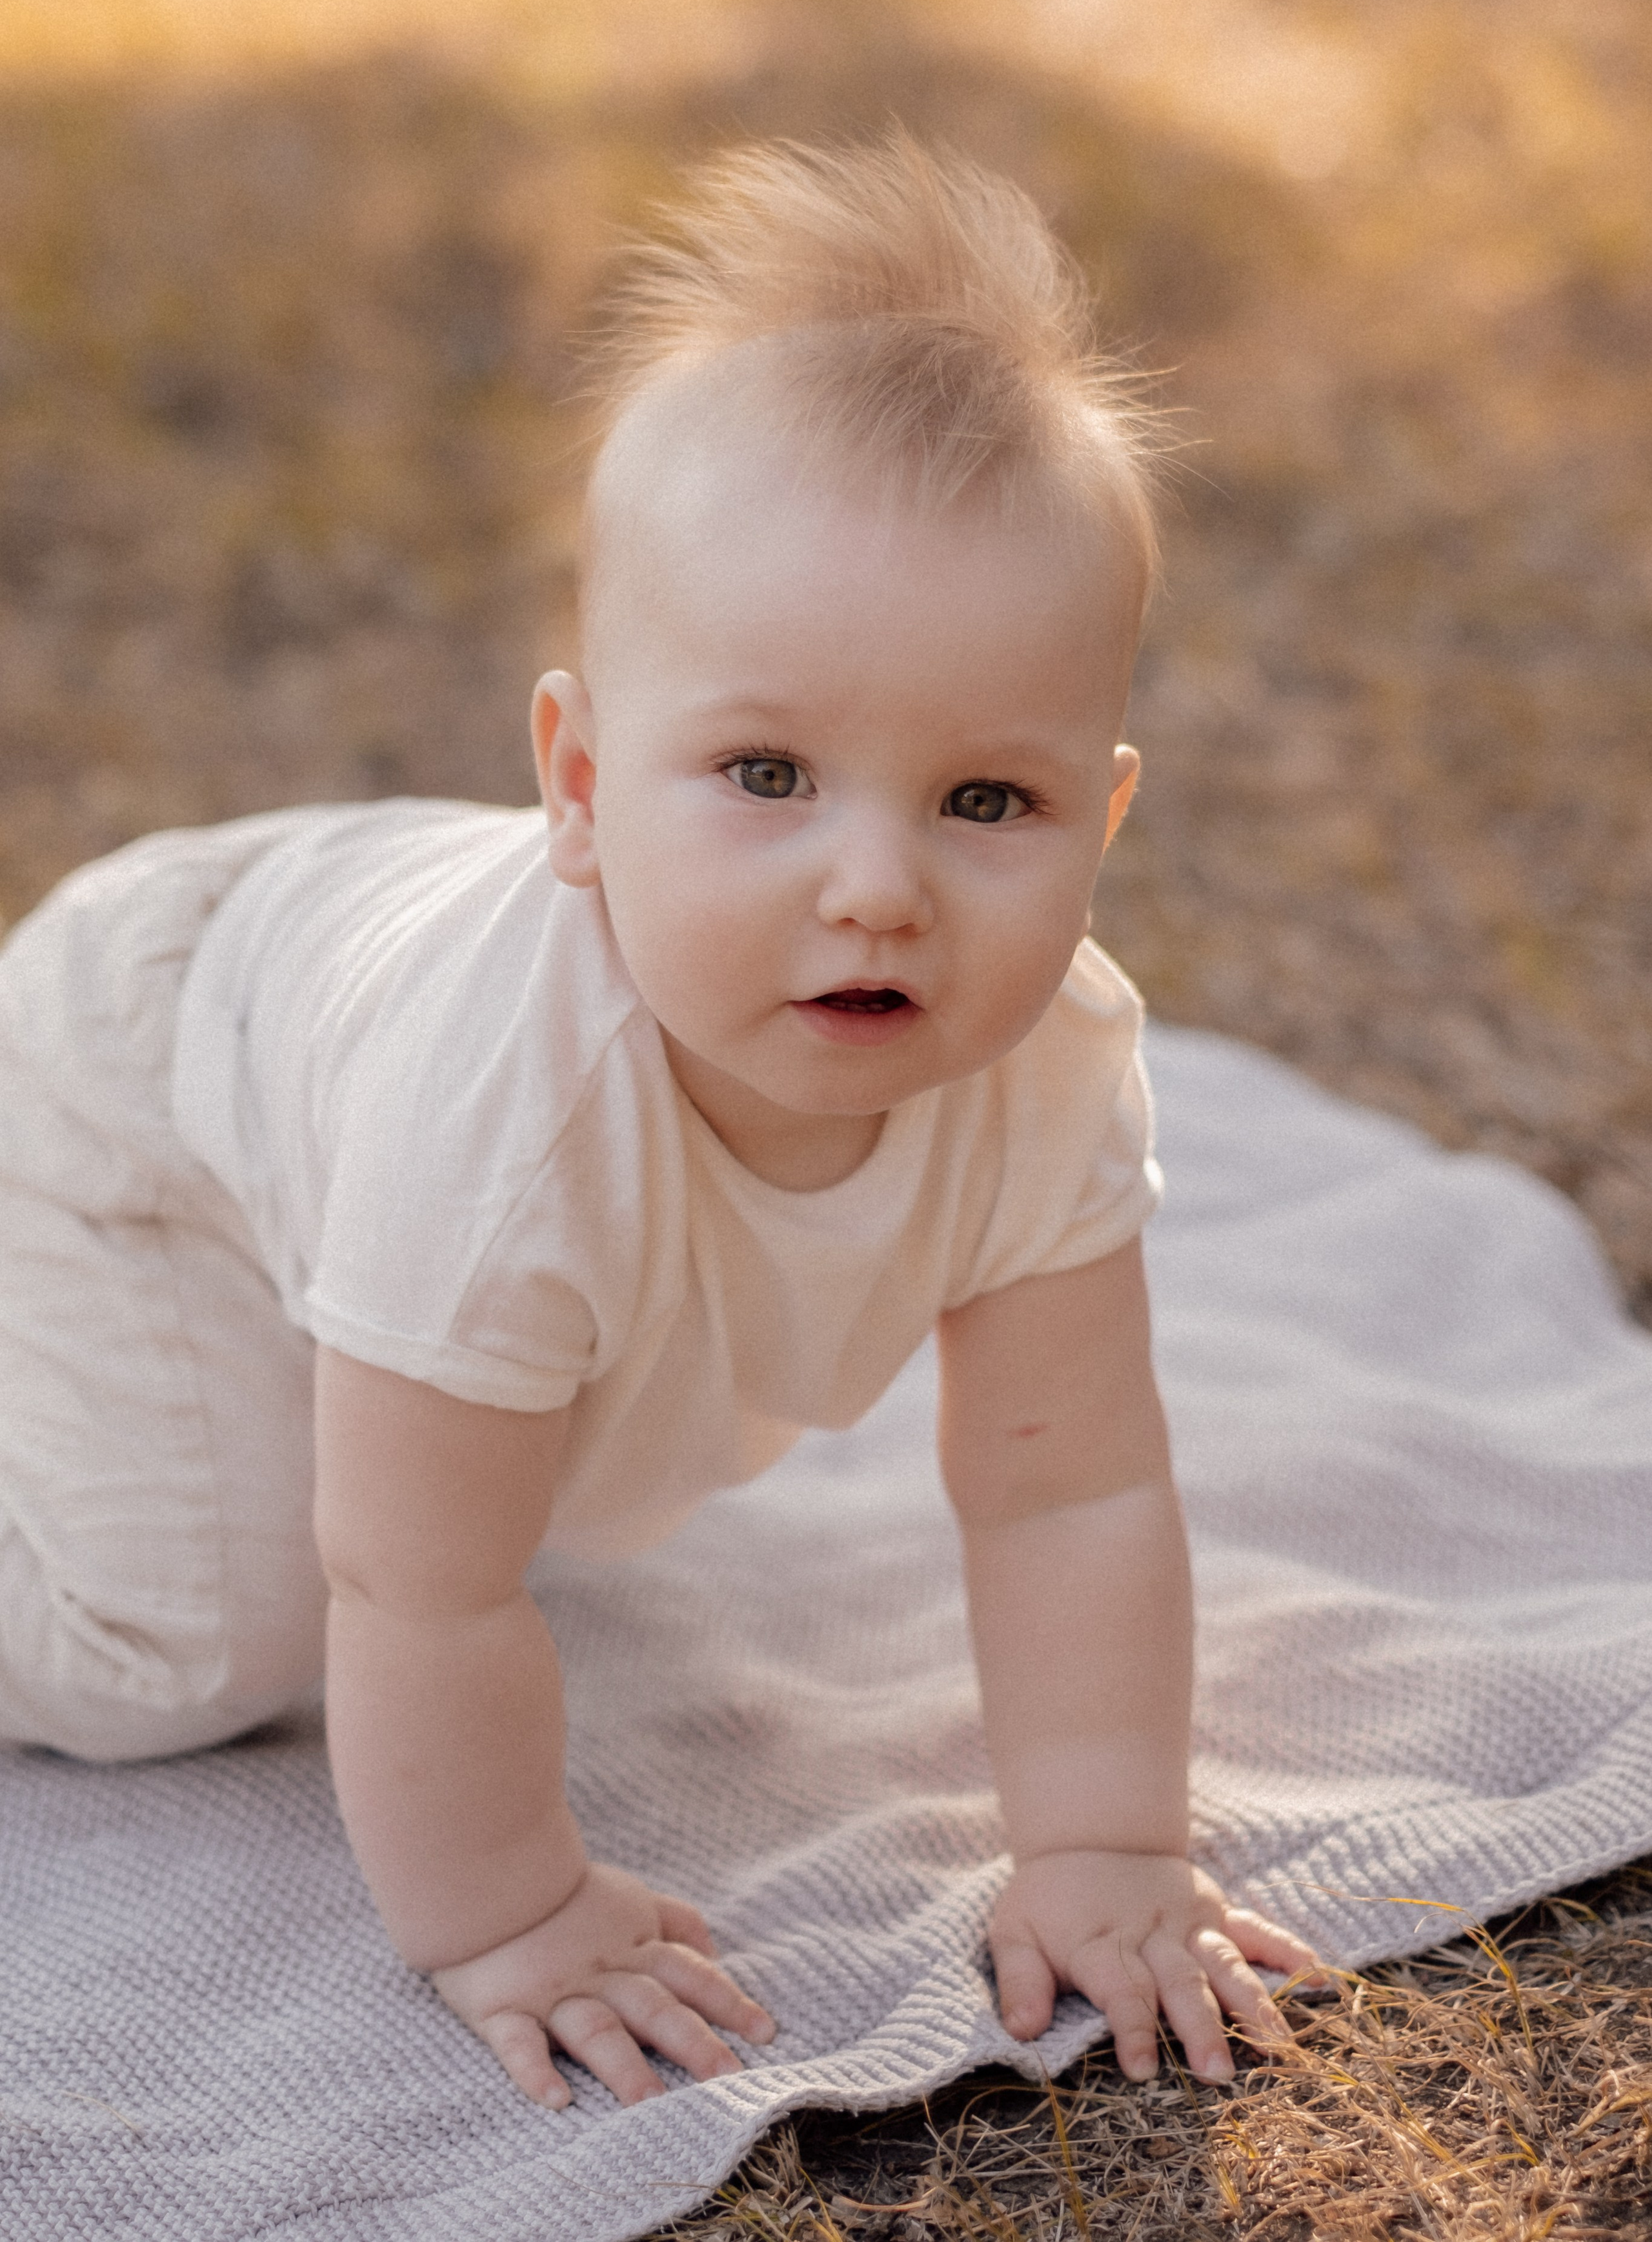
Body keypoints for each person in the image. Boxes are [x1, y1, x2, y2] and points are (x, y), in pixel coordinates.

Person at [0, 133, 1318, 2111]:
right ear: (584, 783)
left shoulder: (1052, 1065)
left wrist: (1106, 1842)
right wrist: (504, 1909)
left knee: (502, 1453)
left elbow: (1070, 1488)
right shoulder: (509, 1122)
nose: (877, 885)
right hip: (140, 1102)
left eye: (986, 802)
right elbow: (416, 1589)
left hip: (324, 1023)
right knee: (192, 1640)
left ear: (1102, 817)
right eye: (768, 770)